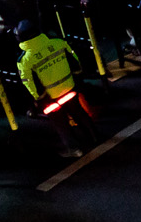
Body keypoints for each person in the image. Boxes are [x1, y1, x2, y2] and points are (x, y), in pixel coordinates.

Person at [15, 17, 88, 158]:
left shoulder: (24, 60)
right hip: (69, 87)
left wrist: (39, 98)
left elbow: (29, 82)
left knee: (60, 122)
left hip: (50, 97)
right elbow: (74, 61)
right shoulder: (57, 42)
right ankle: (93, 136)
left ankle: (74, 149)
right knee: (78, 112)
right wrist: (77, 79)